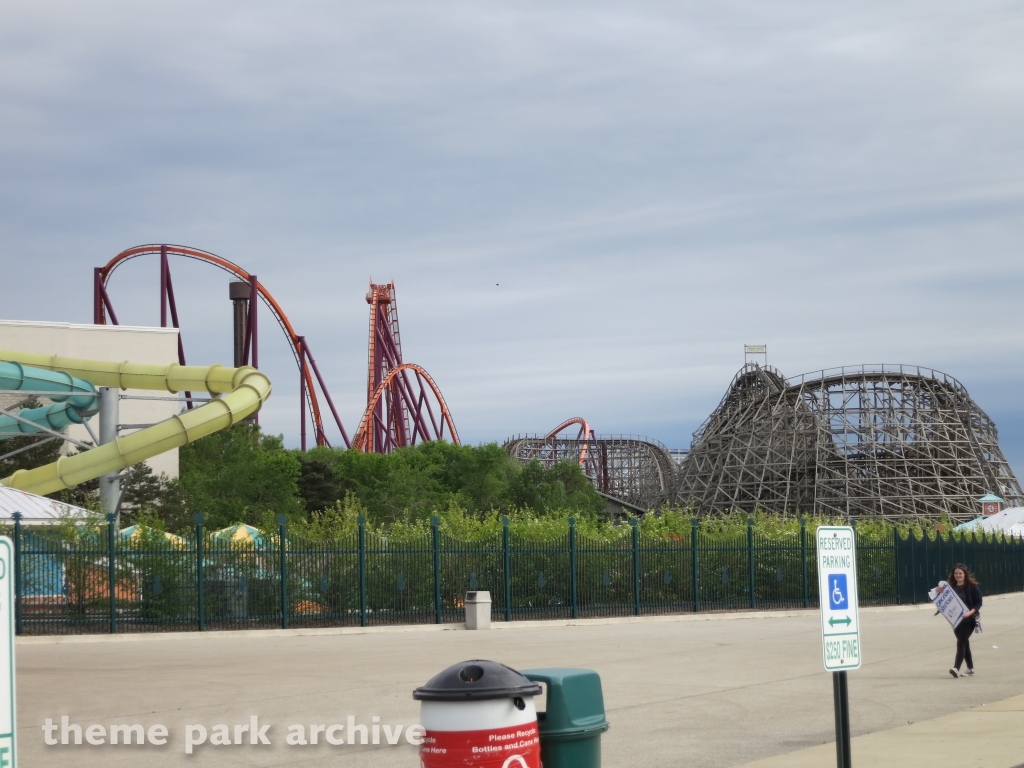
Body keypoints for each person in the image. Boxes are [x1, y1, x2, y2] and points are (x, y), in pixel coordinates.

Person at [944, 564, 982, 678]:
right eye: (956, 573)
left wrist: (970, 613)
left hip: (968, 620)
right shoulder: (950, 587)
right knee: (965, 644)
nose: (958, 575)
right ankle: (970, 669)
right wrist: (938, 589)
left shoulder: (972, 587)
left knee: (960, 643)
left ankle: (956, 668)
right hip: (956, 621)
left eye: (960, 573)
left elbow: (978, 602)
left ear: (965, 574)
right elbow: (940, 597)